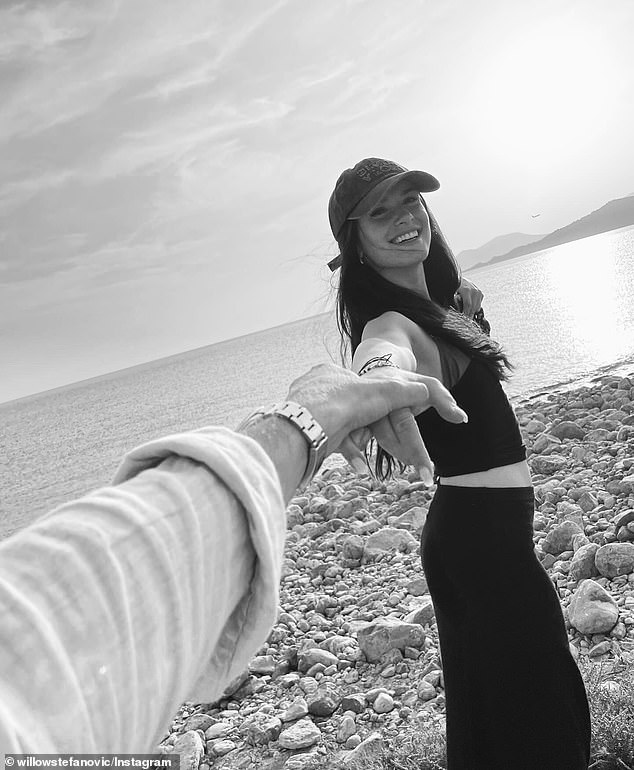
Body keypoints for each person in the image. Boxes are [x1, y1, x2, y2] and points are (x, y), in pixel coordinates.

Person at [0, 362, 467, 753]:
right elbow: (40, 649)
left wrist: (307, 419)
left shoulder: (453, 303)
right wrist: (314, 413)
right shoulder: (391, 315)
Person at [328, 157, 591, 769]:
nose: (403, 219)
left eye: (410, 203)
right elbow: (381, 355)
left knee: (508, 712)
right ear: (357, 244)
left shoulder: (436, 312)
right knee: (539, 712)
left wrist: (467, 318)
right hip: (478, 544)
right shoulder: (392, 323)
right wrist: (376, 381)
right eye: (380, 214)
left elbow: (450, 361)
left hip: (484, 538)